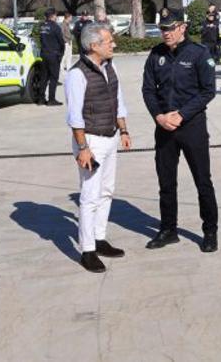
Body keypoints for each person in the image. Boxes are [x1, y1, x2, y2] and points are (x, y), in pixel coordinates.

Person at [141, 10, 220, 252]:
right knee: (166, 182)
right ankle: (168, 230)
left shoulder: (199, 53)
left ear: (182, 27)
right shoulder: (156, 55)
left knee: (202, 181)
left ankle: (209, 231)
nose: (165, 33)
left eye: (170, 28)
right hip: (164, 127)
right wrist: (159, 116)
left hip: (191, 126)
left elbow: (208, 91)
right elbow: (148, 90)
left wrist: (182, 114)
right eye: (162, 28)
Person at [65, 21, 132, 273]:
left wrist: (123, 129)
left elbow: (118, 100)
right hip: (90, 140)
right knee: (90, 196)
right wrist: (83, 148)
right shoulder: (76, 74)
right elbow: (75, 116)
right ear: (93, 45)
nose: (113, 44)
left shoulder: (108, 66)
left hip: (111, 135)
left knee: (107, 191)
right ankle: (88, 249)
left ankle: (100, 237)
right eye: (108, 41)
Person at [37, 8, 67, 106]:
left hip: (44, 54)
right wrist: (61, 53)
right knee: (53, 78)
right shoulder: (55, 27)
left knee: (44, 77)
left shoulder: (42, 26)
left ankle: (41, 99)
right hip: (53, 55)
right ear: (53, 16)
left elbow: (41, 39)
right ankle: (51, 100)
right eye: (56, 15)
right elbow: (61, 42)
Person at [60, 11, 76, 78]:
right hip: (66, 42)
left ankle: (69, 68)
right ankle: (61, 69)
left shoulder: (67, 24)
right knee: (64, 56)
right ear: (68, 17)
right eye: (71, 17)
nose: (71, 19)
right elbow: (62, 34)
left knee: (69, 56)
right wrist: (67, 40)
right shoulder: (63, 24)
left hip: (69, 42)